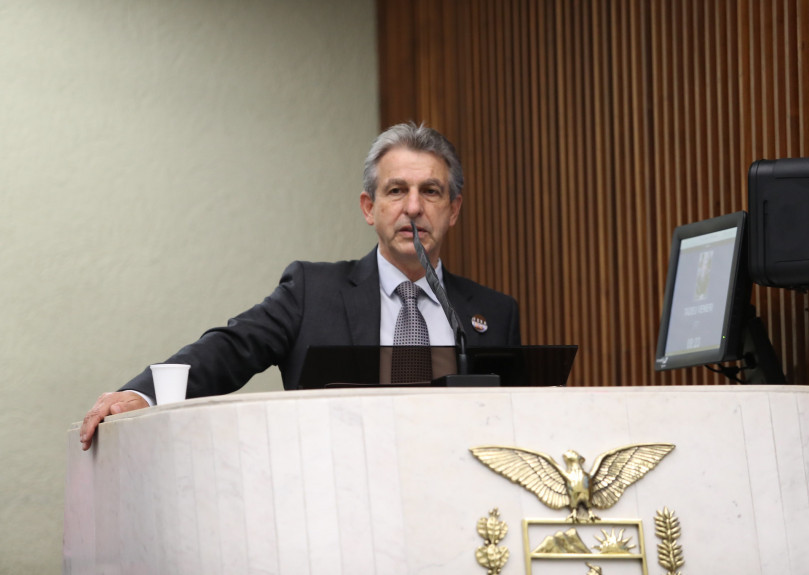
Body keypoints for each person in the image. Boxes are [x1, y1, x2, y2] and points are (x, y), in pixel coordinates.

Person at [79, 122, 521, 450]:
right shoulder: (314, 291)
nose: (412, 208)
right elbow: (232, 348)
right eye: (395, 191)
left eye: (430, 191)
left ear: (454, 208)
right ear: (369, 208)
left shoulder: (492, 313)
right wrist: (142, 395)